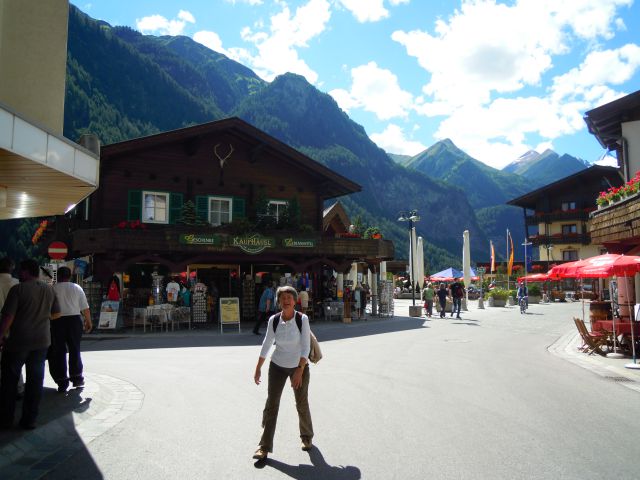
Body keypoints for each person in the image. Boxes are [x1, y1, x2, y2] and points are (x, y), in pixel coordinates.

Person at [252, 286, 313, 460]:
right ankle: (264, 446)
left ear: (295, 301)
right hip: (277, 365)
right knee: (272, 404)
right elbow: (267, 343)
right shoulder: (274, 320)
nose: (286, 301)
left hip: (298, 366)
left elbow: (306, 347)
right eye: (283, 298)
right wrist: (258, 367)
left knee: (301, 402)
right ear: (278, 302)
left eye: (289, 298)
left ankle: (306, 436)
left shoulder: (302, 319)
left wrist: (300, 371)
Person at [0, 259, 61, 429]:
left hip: (18, 342)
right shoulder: (49, 290)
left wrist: (0, 335)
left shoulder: (18, 290)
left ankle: (6, 418)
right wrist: (42, 318)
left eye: (21, 271)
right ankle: (29, 420)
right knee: (35, 381)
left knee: (9, 381)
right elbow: (57, 314)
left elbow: (8, 317)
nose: (19, 274)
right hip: (42, 342)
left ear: (26, 271)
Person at [49, 267, 93, 393]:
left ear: (58, 276)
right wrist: (89, 322)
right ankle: (77, 378)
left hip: (57, 321)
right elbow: (85, 308)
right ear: (70, 276)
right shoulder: (77, 288)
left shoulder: (53, 289)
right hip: (74, 320)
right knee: (75, 349)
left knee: (59, 351)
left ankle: (62, 381)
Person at [0, 257, 25, 397]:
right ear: (12, 268)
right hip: (16, 327)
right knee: (15, 361)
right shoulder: (17, 284)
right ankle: (18, 387)